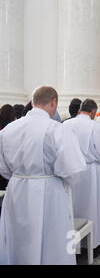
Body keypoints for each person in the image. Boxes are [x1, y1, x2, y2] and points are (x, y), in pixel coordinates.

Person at [0, 86, 86, 265]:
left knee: (19, 239)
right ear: (53, 102)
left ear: (32, 102)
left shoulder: (8, 130)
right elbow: (72, 169)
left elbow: (4, 168)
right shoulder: (56, 129)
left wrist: (20, 176)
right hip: (49, 191)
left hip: (16, 189)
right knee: (52, 240)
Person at [63, 99, 100, 249]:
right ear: (92, 112)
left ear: (80, 110)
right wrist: (98, 161)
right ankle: (93, 240)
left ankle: (71, 241)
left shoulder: (65, 125)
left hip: (69, 170)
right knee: (92, 205)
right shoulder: (95, 127)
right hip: (90, 171)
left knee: (72, 204)